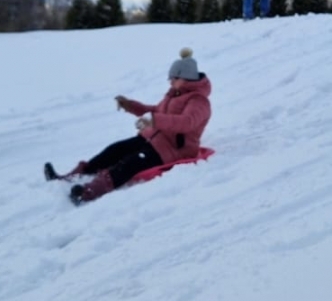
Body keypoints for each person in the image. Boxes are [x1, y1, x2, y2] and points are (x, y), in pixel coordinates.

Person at [45, 47, 212, 205]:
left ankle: (88, 192)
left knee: (131, 162)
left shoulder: (199, 101)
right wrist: (131, 106)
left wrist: (154, 119)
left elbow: (187, 122)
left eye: (174, 78)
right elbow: (156, 110)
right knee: (115, 150)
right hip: (152, 139)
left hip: (173, 149)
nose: (170, 81)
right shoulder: (175, 95)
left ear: (185, 78)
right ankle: (75, 175)